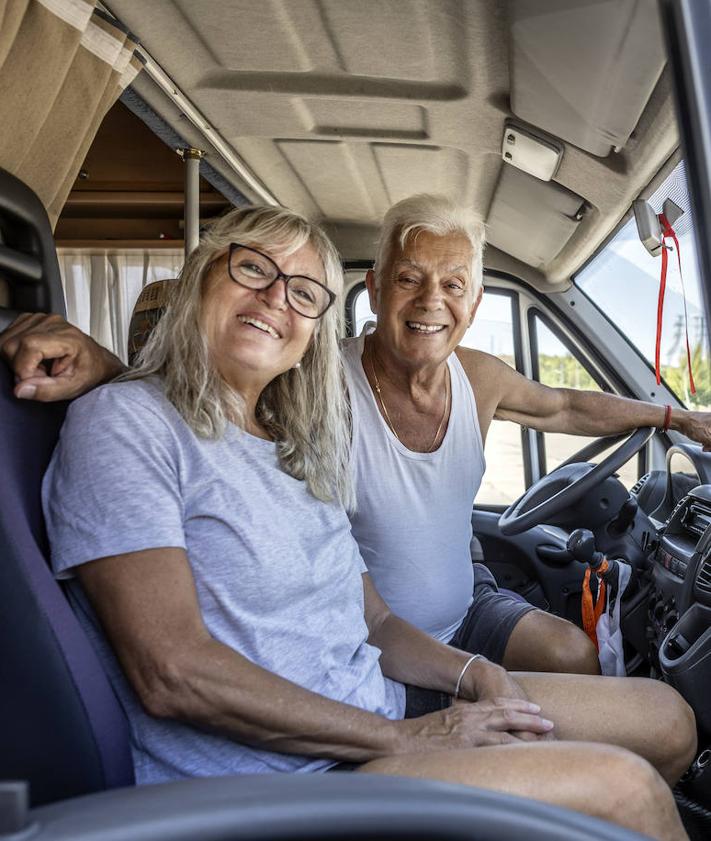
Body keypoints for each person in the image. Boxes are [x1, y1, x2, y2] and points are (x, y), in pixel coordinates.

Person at [34, 204, 693, 840]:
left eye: (302, 291)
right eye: (252, 270)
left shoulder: (288, 444)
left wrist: (473, 676)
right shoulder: (127, 422)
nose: (274, 301)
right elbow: (172, 671)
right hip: (297, 771)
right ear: (202, 275)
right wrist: (405, 737)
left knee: (666, 721)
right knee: (625, 788)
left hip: (378, 708)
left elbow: (373, 621)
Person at [6, 195, 711, 677]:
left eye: (454, 284)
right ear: (374, 290)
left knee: (572, 656)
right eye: (410, 278)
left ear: (472, 302)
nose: (432, 300)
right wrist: (109, 370)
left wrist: (673, 418)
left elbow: (562, 407)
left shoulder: (481, 376)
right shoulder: (314, 379)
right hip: (366, 643)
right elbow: (209, 408)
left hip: (467, 606)